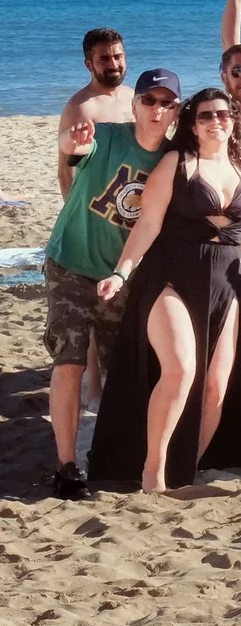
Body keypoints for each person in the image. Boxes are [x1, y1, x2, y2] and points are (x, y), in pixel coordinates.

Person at [87, 88, 241, 492]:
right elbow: (147, 225)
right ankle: (153, 473)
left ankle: (184, 469)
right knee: (180, 371)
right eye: (206, 115)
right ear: (192, 125)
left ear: (233, 120)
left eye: (224, 114)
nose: (217, 121)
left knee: (215, 387)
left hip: (226, 286)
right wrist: (122, 273)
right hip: (170, 276)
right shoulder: (177, 163)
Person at [44, 68, 179, 498]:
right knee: (70, 360)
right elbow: (72, 149)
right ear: (135, 104)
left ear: (175, 110)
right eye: (150, 101)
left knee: (124, 369)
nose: (157, 110)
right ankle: (66, 465)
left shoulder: (174, 159)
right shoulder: (105, 135)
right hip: (71, 264)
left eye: (167, 103)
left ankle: (121, 456)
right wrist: (72, 142)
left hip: (120, 279)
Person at [58, 27, 133, 196]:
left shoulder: (134, 97)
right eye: (104, 59)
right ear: (89, 65)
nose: (113, 65)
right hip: (99, 200)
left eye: (118, 56)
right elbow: (65, 172)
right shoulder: (80, 107)